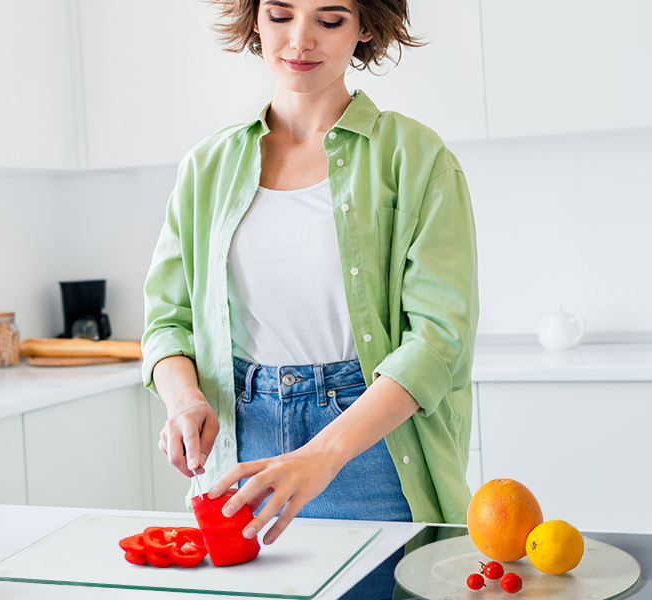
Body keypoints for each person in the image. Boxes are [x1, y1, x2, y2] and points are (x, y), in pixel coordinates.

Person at [141, 1, 477, 596]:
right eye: (280, 15)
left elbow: (438, 341)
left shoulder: (415, 156)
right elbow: (168, 320)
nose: (299, 40)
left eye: (330, 19)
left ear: (365, 27)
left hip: (370, 450)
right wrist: (184, 398)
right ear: (255, 19)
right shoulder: (206, 167)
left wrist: (323, 454)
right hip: (239, 450)